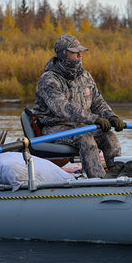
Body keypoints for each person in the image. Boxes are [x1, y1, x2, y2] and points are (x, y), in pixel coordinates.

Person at [32, 34, 126, 178]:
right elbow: (63, 109)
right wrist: (94, 119)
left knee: (109, 137)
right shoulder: (49, 80)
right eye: (75, 51)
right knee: (85, 137)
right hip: (55, 128)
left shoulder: (86, 76)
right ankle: (98, 180)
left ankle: (118, 176)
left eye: (80, 51)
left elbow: (98, 102)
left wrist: (111, 116)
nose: (80, 54)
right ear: (63, 54)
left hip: (82, 126)